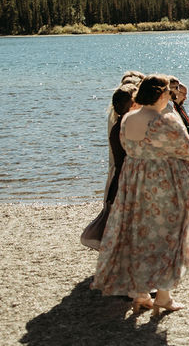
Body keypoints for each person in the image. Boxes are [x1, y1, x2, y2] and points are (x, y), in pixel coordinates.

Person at [92, 74, 189, 313]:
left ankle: (141, 293)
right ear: (161, 94)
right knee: (167, 238)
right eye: (168, 93)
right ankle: (163, 295)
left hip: (134, 185)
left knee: (140, 236)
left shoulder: (128, 118)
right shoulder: (167, 120)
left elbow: (132, 147)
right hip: (164, 185)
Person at [80, 83, 137, 251]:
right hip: (125, 181)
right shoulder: (124, 127)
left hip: (122, 179)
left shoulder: (121, 125)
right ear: (130, 105)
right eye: (136, 101)